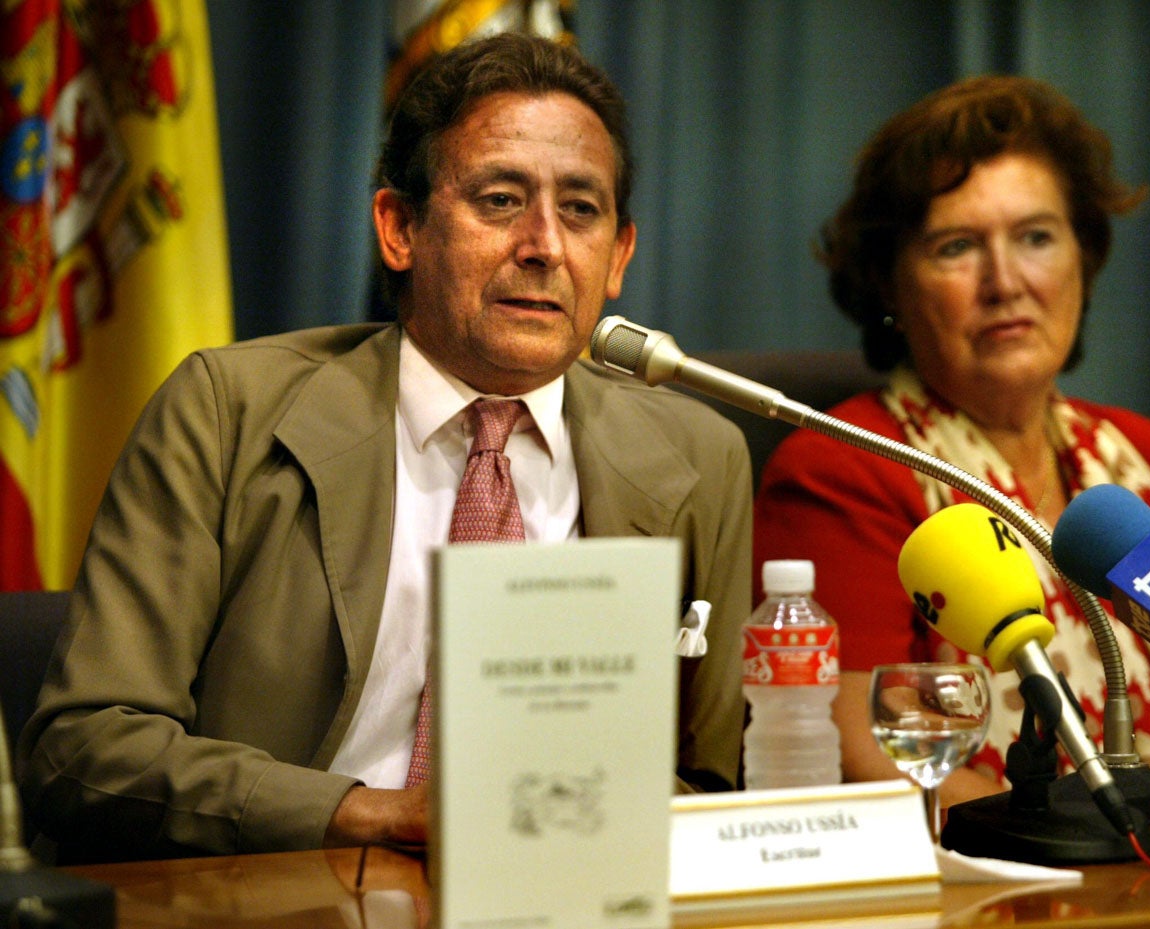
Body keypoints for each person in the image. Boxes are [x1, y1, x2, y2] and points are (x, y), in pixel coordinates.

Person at [19, 32, 752, 863]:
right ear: (399, 227)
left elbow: (714, 779)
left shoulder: (698, 457)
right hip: (273, 890)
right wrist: (380, 815)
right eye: (501, 200)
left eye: (580, 210)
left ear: (617, 255)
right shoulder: (226, 411)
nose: (545, 245)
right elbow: (86, 747)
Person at [753, 74, 1150, 809]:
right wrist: (1115, 852)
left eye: (1035, 237)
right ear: (889, 285)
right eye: (956, 246)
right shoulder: (844, 467)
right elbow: (872, 760)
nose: (1004, 282)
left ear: (1082, 262)